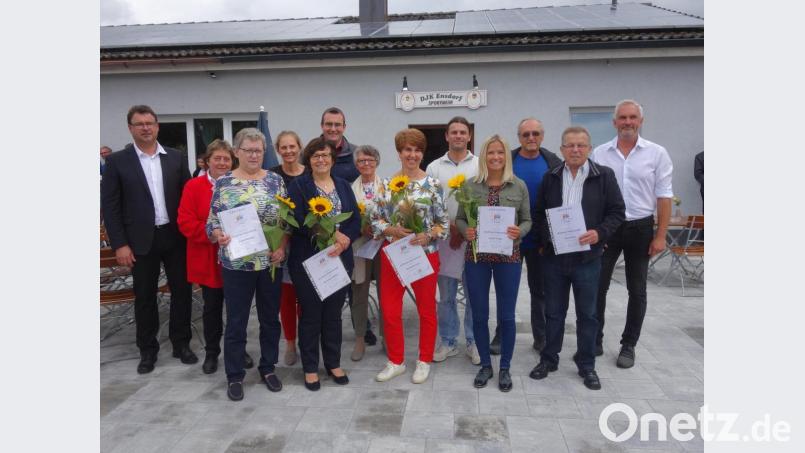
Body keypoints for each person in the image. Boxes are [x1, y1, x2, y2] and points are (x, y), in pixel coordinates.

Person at [101, 105, 196, 374]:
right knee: (144, 296)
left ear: (157, 126)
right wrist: (119, 243)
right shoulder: (118, 161)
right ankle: (147, 350)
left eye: (150, 123)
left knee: (182, 292)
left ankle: (181, 343)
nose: (145, 127)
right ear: (130, 128)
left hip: (175, 237)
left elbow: (187, 200)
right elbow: (111, 207)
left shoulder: (176, 158)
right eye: (139, 123)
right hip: (139, 241)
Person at [529, 126, 625, 390]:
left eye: (581, 145)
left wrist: (599, 234)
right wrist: (546, 241)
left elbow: (617, 212)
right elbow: (538, 214)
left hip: (588, 259)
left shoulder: (604, 176)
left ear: (589, 148)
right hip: (555, 259)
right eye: (570, 145)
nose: (575, 150)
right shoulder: (551, 177)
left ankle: (587, 365)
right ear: (561, 150)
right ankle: (549, 359)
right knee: (554, 312)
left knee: (588, 314)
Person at [207, 128, 290, 401]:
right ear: (237, 152)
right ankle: (234, 375)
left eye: (259, 150)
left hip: (268, 264)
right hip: (236, 265)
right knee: (237, 322)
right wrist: (217, 234)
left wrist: (281, 247)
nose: (254, 155)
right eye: (249, 150)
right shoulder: (224, 183)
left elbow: (285, 220)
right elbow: (212, 222)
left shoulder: (276, 181)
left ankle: (268, 368)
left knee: (269, 320)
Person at [591, 100, 674, 369]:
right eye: (623, 118)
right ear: (614, 122)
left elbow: (664, 196)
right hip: (608, 229)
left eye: (633, 117)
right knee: (597, 286)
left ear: (641, 121)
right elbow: (591, 195)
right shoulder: (600, 154)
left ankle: (629, 345)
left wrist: (660, 235)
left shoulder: (657, 154)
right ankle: (595, 338)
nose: (628, 122)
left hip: (640, 227)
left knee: (637, 290)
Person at [371, 128, 449, 384]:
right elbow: (376, 220)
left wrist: (429, 235)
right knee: (391, 311)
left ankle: (424, 360)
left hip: (424, 254)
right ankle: (396, 361)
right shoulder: (385, 184)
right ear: (399, 152)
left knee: (427, 311)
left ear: (422, 153)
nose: (412, 154)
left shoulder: (433, 184)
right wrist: (389, 229)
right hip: (393, 255)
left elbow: (443, 223)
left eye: (417, 150)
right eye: (407, 149)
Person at [456, 134, 532, 392]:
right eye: (491, 152)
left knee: (506, 315)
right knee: (479, 313)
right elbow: (459, 219)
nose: (496, 157)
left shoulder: (518, 186)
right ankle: (486, 365)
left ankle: (506, 367)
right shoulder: (470, 185)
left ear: (506, 156)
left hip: (508, 257)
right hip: (476, 256)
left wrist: (518, 232)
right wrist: (466, 230)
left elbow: (527, 220)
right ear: (484, 156)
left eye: (500, 152)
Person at [287, 137, 361, 391]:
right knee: (311, 315)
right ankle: (310, 367)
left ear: (332, 159)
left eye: (326, 155)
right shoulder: (299, 186)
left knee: (333, 314)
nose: (321, 159)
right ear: (308, 159)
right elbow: (298, 218)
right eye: (316, 155)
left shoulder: (342, 184)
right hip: (308, 260)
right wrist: (330, 236)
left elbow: (355, 218)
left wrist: (345, 240)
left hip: (339, 259)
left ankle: (333, 363)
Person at [177, 139, 254, 374]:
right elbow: (185, 221)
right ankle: (212, 352)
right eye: (217, 158)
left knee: (237, 310)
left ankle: (238, 350)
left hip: (236, 256)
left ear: (232, 161)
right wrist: (212, 233)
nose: (222, 162)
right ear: (207, 161)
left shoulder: (240, 184)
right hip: (208, 257)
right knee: (211, 309)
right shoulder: (193, 186)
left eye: (226, 159)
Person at [489, 118, 562, 356]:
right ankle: (501, 333)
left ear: (542, 136)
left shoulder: (553, 162)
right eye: (526, 134)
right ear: (519, 137)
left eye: (536, 134)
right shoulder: (507, 160)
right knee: (505, 289)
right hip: (509, 238)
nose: (531, 138)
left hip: (540, 239)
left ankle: (540, 336)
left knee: (540, 290)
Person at [425, 116, 480, 365]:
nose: (458, 136)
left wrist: (465, 227)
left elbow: (485, 200)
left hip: (474, 239)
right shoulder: (434, 167)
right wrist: (451, 228)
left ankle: (472, 340)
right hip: (446, 240)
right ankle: (448, 341)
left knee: (474, 294)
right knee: (446, 295)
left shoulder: (481, 165)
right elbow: (430, 205)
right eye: (453, 132)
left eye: (462, 132)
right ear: (446, 136)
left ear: (469, 136)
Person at [269, 130, 307, 366]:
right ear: (278, 150)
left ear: (299, 147)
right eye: (284, 147)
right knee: (286, 297)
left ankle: (306, 340)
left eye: (292, 146)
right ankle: (290, 343)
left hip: (305, 243)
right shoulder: (272, 176)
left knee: (305, 297)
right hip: (281, 243)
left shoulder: (309, 174)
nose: (289, 151)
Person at [349, 145, 383, 361]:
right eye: (361, 161)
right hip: (360, 246)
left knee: (385, 293)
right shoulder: (349, 189)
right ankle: (360, 338)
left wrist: (381, 229)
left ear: (377, 162)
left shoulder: (388, 186)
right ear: (356, 164)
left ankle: (387, 337)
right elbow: (346, 218)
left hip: (383, 245)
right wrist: (360, 228)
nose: (366, 164)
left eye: (370, 160)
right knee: (359, 292)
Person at [320, 106, 359, 182]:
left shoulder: (357, 154)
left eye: (337, 125)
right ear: (322, 126)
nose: (333, 129)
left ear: (344, 127)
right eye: (329, 124)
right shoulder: (309, 153)